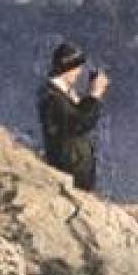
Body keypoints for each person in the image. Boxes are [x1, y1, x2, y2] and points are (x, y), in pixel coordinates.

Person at [38, 41, 109, 192]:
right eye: (77, 68)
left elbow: (77, 117)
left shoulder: (62, 95)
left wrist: (90, 98)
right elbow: (78, 123)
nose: (79, 73)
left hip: (76, 172)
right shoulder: (52, 97)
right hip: (69, 173)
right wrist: (94, 95)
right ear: (68, 68)